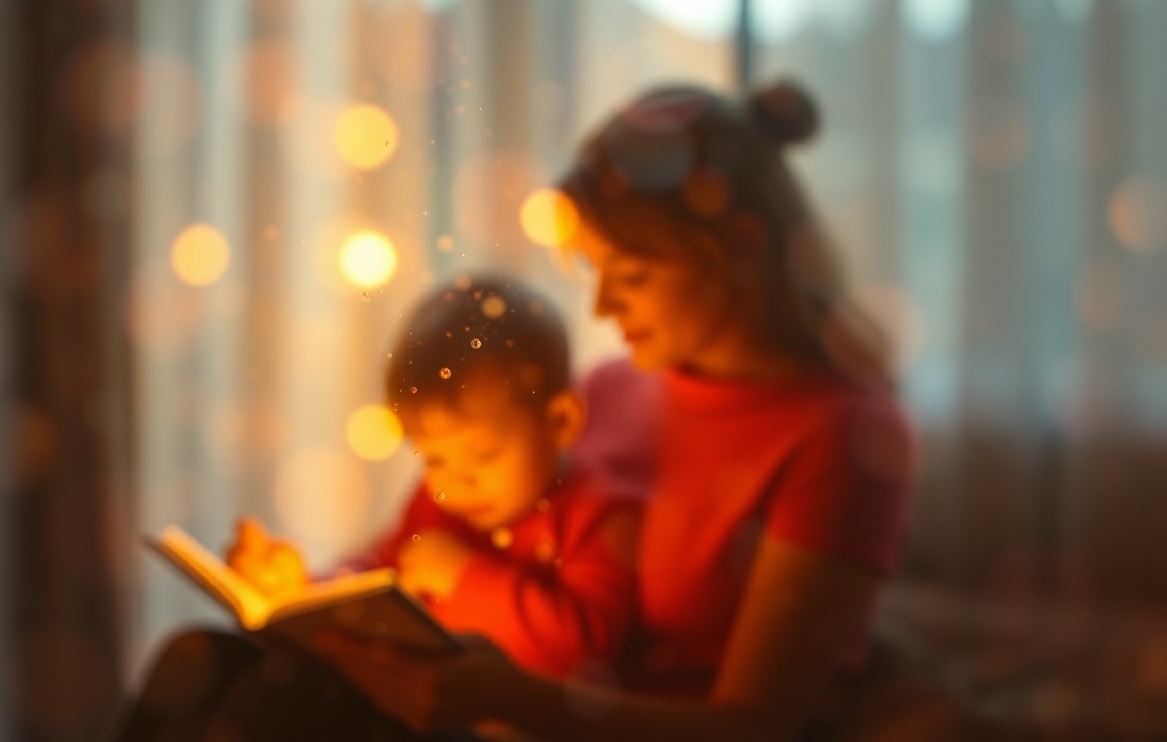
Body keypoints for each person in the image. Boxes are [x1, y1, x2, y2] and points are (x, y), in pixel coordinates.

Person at [313, 80, 913, 742]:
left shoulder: (841, 437)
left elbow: (755, 726)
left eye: (631, 277)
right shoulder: (610, 388)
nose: (601, 308)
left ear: (742, 248)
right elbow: (454, 537)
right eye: (593, 273)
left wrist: (514, 699)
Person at [110, 274, 640, 741]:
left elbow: (584, 654)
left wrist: (467, 578)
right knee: (199, 657)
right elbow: (376, 578)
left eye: (485, 454)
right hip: (404, 703)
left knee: (281, 695)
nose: (457, 481)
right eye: (433, 459)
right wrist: (304, 591)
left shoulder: (597, 513)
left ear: (562, 422)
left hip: (496, 726)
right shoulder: (440, 503)